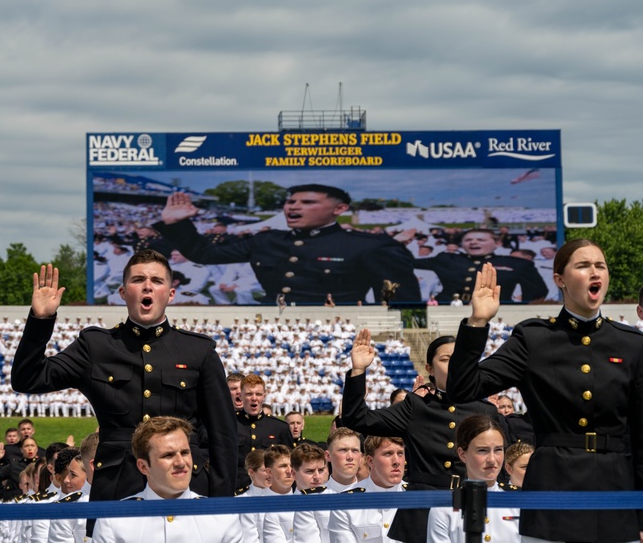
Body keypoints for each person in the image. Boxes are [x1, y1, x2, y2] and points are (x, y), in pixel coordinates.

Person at [447, 239, 643, 542]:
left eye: (600, 266)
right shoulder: (533, 338)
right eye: (583, 265)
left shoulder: (631, 343)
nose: (595, 272)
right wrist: (477, 322)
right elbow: (463, 388)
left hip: (616, 491)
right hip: (553, 487)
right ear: (560, 280)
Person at [11, 252, 237, 503]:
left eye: (157, 280)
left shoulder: (198, 351)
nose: (147, 286)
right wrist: (40, 321)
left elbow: (223, 435)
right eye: (138, 279)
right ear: (122, 292)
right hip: (117, 489)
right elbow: (27, 379)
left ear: (171, 294)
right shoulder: (96, 346)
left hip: (186, 488)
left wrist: (221, 504)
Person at [340, 330, 499, 543]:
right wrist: (358, 370)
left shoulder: (485, 410)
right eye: (445, 359)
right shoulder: (415, 407)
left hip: (471, 505)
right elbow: (357, 419)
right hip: (422, 508)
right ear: (430, 369)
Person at [154, 186, 421, 305]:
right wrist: (177, 224)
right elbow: (205, 253)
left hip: (337, 327)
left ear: (339, 209)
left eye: (307, 202)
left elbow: (402, 303)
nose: (293, 206)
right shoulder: (266, 241)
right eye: (291, 202)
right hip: (271, 322)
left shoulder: (368, 246)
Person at [91, 417, 242, 543]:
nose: (181, 463)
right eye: (168, 455)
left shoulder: (222, 518)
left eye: (185, 452)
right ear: (143, 467)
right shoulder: (113, 522)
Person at [427, 415, 520, 543]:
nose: (492, 460)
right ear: (462, 454)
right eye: (482, 450)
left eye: (498, 450)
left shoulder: (519, 502)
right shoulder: (443, 509)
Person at [415, 229, 548, 304]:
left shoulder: (517, 264)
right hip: (448, 307)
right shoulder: (446, 259)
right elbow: (407, 263)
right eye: (468, 240)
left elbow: (537, 292)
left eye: (481, 240)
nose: (473, 242)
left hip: (495, 312)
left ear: (498, 243)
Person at [327, 436, 405, 543]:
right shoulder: (345, 503)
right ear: (370, 461)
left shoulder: (420, 498)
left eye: (400, 453)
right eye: (388, 454)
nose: (397, 461)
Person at [236, 375, 294, 487]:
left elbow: (289, 463)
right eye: (249, 394)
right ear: (241, 396)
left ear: (264, 396)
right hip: (237, 488)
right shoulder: (229, 424)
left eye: (258, 394)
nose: (254, 398)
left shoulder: (279, 427)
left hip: (270, 487)